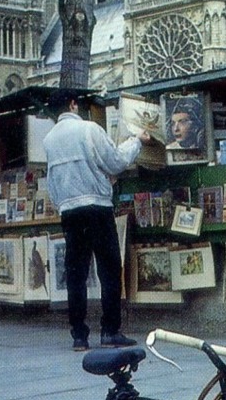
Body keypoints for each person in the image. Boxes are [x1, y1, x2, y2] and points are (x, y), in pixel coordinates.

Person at [43, 92, 151, 351]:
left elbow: (52, 180)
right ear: (73, 104)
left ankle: (79, 336)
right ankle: (110, 331)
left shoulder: (49, 140)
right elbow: (116, 162)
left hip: (70, 211)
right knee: (109, 269)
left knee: (76, 274)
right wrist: (137, 141)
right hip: (97, 208)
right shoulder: (89, 129)